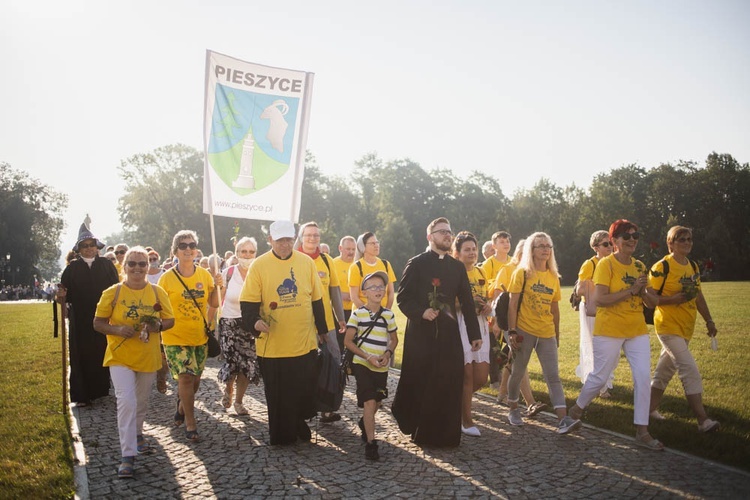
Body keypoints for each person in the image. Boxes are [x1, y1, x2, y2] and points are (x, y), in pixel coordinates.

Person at [568, 220, 663, 450]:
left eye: (635, 235)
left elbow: (651, 301)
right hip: (609, 329)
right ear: (614, 241)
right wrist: (630, 290)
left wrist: (643, 292)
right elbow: (600, 299)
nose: (631, 239)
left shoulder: (640, 266)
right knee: (600, 377)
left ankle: (642, 431)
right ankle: (576, 410)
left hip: (636, 330)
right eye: (625, 236)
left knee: (642, 378)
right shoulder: (606, 265)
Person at [392, 217, 481, 447]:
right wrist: (421, 312)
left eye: (449, 232)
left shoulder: (457, 267)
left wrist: (474, 334)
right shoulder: (417, 264)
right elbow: (403, 298)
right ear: (430, 237)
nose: (447, 235)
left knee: (449, 380)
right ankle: (421, 432)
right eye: (442, 232)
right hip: (421, 334)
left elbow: (468, 303)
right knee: (423, 380)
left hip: (449, 334)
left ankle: (448, 436)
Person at [240, 220, 329, 445]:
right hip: (273, 346)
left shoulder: (306, 262)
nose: (285, 244)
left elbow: (317, 299)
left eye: (289, 240)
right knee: (279, 394)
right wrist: (255, 323)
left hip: (303, 341)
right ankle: (283, 435)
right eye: (280, 240)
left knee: (303, 388)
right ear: (270, 240)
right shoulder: (259, 266)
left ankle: (299, 420)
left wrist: (323, 329)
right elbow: (248, 305)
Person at [93, 246, 175, 478]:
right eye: (133, 264)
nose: (137, 268)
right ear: (124, 266)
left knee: (140, 401)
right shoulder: (113, 293)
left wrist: (157, 326)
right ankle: (127, 455)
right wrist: (117, 329)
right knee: (126, 401)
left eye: (142, 264)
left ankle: (137, 433)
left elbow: (169, 321)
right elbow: (97, 323)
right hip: (119, 356)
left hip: (147, 356)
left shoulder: (158, 293)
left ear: (148, 267)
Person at [505, 232, 580, 434]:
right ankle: (513, 407)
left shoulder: (553, 276)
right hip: (524, 330)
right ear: (532, 250)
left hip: (546, 332)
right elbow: (512, 305)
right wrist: (512, 331)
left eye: (548, 246)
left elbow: (555, 308)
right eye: (541, 246)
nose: (546, 249)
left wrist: (556, 333)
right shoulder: (521, 273)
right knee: (518, 370)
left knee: (553, 376)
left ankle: (563, 420)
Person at [648, 226, 720, 432]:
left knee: (664, 372)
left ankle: (649, 410)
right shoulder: (662, 266)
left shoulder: (693, 266)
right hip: (667, 327)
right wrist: (673, 299)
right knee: (689, 369)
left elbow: (697, 295)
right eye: (681, 239)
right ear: (670, 243)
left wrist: (709, 320)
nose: (687, 242)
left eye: (689, 239)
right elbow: (649, 299)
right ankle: (703, 420)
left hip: (686, 328)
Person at [158, 230, 222, 441]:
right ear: (175, 251)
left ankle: (181, 405)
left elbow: (214, 303)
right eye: (183, 246)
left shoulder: (204, 275)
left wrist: (220, 285)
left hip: (199, 337)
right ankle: (191, 424)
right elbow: (158, 308)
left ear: (196, 249)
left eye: (192, 245)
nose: (188, 249)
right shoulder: (166, 279)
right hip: (174, 337)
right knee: (185, 378)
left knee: (195, 381)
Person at [57, 222, 119, 406]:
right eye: (85, 246)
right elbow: (63, 297)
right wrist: (60, 296)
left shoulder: (107, 265)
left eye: (92, 245)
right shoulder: (71, 269)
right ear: (79, 249)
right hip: (81, 318)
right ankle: (82, 394)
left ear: (97, 246)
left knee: (102, 350)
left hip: (104, 316)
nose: (89, 249)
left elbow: (116, 289)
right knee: (80, 353)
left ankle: (100, 389)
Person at [294, 222, 347, 423]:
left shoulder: (326, 260)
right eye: (308, 235)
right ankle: (305, 408)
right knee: (305, 367)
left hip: (327, 325)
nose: (312, 238)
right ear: (301, 237)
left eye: (316, 235)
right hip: (301, 326)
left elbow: (334, 291)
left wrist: (341, 318)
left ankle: (328, 407)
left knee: (332, 364)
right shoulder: (293, 258)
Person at [345, 271, 399, 460]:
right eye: (373, 287)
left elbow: (394, 339)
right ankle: (371, 443)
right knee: (368, 401)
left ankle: (364, 422)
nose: (378, 290)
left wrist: (387, 353)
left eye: (381, 287)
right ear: (364, 292)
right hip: (362, 363)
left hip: (381, 366)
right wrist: (367, 356)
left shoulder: (388, 315)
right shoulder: (357, 314)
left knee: (376, 402)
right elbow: (348, 341)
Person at [493, 238, 545, 417]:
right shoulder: (507, 269)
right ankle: (530, 403)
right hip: (510, 324)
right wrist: (499, 325)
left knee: (513, 359)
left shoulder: (534, 271)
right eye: (526, 252)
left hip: (528, 323)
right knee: (519, 361)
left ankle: (501, 393)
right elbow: (498, 299)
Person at [452, 231, 492, 437]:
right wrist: (469, 304)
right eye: (467, 249)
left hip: (481, 325)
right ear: (457, 253)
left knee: (481, 377)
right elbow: (449, 302)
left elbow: (486, 297)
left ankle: (454, 404)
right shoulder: (454, 272)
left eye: (474, 249)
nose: (472, 253)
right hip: (461, 324)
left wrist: (487, 307)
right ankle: (466, 421)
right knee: (466, 376)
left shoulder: (481, 272)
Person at [218, 237, 261, 415]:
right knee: (232, 362)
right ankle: (228, 388)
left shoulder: (259, 273)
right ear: (237, 253)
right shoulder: (227, 273)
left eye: (251, 252)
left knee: (247, 364)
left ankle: (239, 401)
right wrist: (218, 287)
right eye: (244, 251)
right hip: (229, 322)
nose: (247, 255)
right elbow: (218, 299)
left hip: (249, 324)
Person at [574, 230, 615, 398]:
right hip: (592, 309)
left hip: (611, 308)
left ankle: (605, 380)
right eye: (606, 244)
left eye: (611, 243)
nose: (610, 247)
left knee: (611, 346)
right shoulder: (590, 264)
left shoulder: (614, 262)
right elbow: (580, 289)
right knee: (594, 347)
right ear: (596, 247)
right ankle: (600, 386)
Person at [482, 231, 512, 389]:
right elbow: (483, 288)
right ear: (494, 246)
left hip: (509, 310)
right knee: (493, 344)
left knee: (510, 342)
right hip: (492, 310)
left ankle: (503, 369)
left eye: (507, 241)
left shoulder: (514, 263)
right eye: (502, 242)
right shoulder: (489, 264)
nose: (506, 244)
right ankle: (494, 379)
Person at [349, 232, 397, 310]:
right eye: (372, 243)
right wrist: (370, 314)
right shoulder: (356, 267)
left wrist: (386, 311)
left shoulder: (386, 264)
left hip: (383, 315)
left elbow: (391, 292)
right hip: (362, 316)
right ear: (363, 247)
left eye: (377, 242)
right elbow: (354, 297)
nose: (376, 245)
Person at [332, 235, 357, 352]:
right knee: (338, 343)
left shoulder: (358, 265)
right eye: (348, 249)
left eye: (353, 249)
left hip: (354, 311)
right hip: (337, 312)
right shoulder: (332, 264)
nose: (351, 252)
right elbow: (326, 287)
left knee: (353, 343)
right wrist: (339, 295)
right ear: (340, 248)